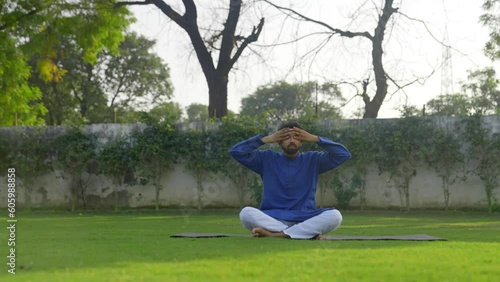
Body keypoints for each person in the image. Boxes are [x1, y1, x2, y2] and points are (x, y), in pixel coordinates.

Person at [229, 121, 352, 239]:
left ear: (303, 140)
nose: (292, 141)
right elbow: (236, 152)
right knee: (246, 213)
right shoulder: (265, 159)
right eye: (287, 137)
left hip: (305, 217)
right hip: (273, 218)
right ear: (279, 141)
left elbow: (343, 154)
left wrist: (315, 138)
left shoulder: (314, 160)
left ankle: (277, 235)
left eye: (297, 137)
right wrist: (265, 139)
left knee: (335, 216)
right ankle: (304, 233)